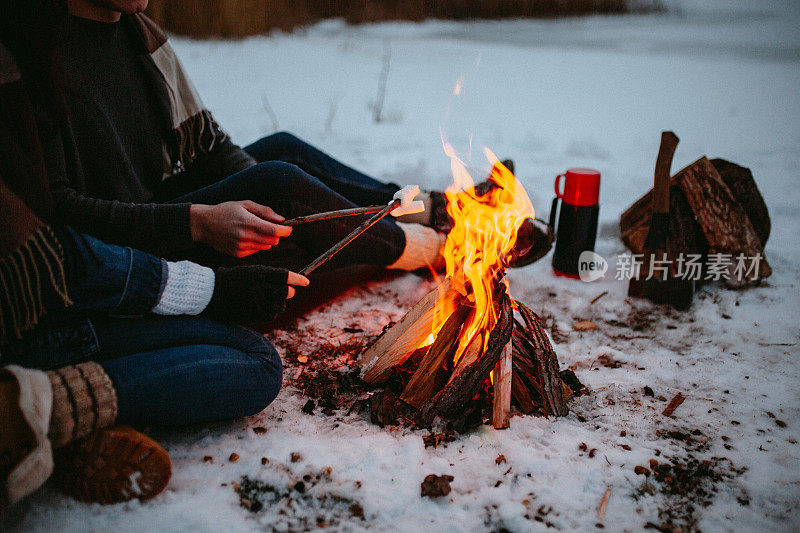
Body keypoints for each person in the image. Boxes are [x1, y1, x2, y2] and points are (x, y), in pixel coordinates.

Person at [0, 37, 306, 507]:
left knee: (281, 160)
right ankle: (35, 413)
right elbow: (67, 257)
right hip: (34, 317)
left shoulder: (132, 36)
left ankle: (72, 420)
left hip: (66, 286)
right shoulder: (30, 62)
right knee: (258, 363)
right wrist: (211, 280)